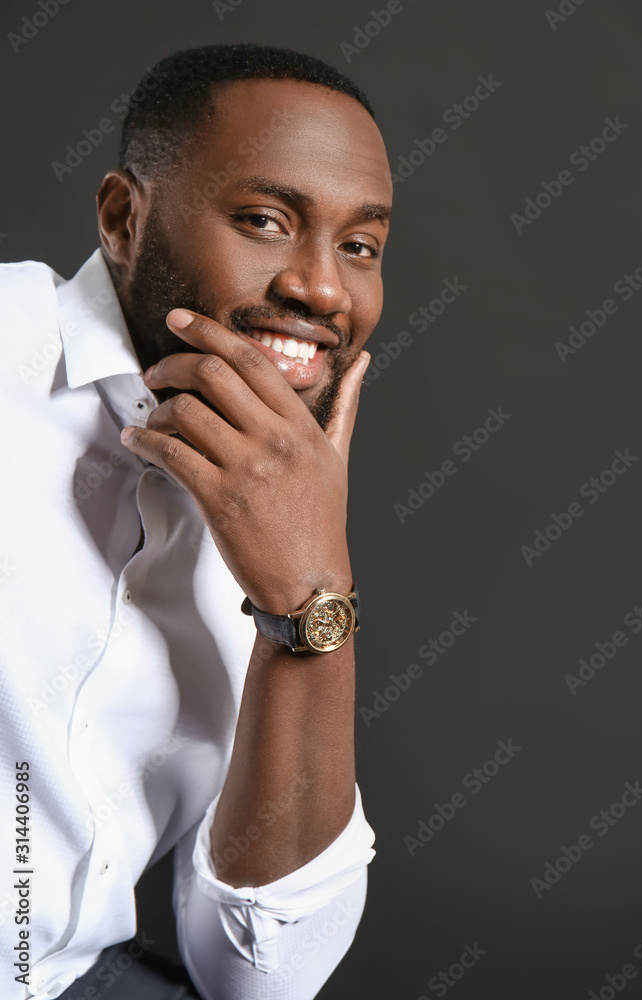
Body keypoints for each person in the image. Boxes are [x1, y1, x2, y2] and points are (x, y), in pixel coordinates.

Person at [0, 42, 393, 1000]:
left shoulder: (280, 508)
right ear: (123, 219)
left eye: (359, 246)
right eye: (264, 220)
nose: (323, 290)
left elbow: (262, 978)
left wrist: (310, 605)